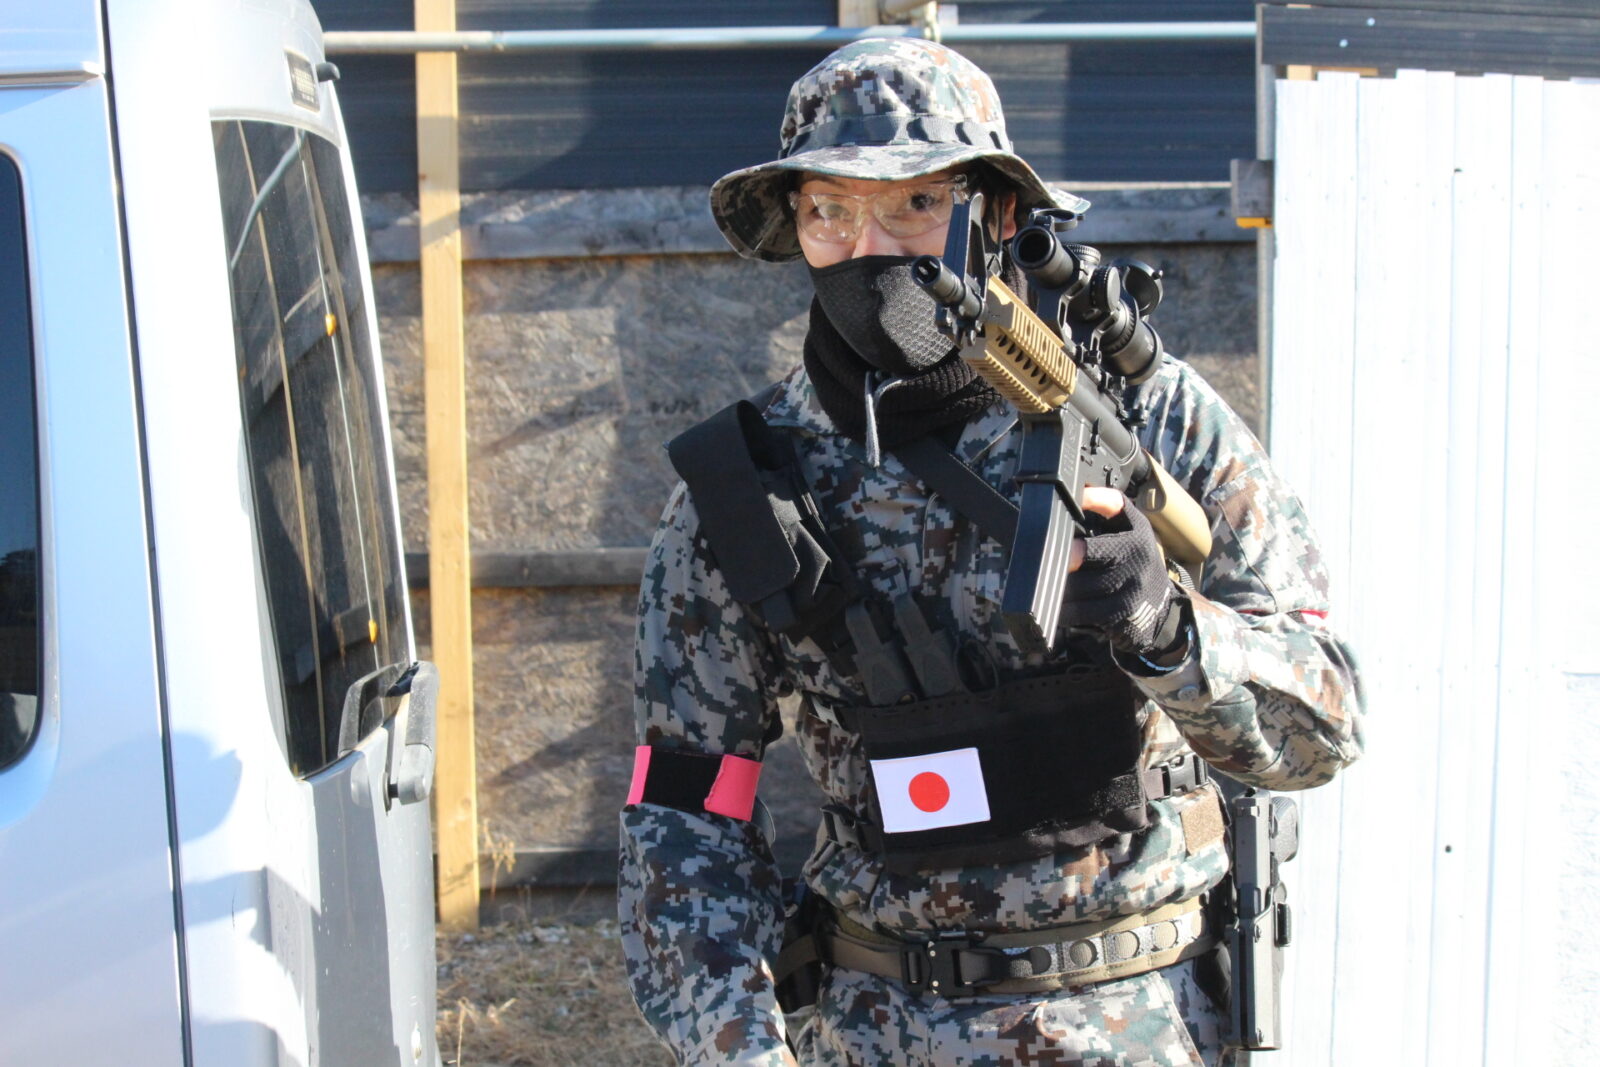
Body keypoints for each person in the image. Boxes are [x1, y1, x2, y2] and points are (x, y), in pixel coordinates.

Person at [619, 37, 1363, 1067]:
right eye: (829, 210)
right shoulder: (743, 487)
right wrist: (743, 1048)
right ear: (794, 225)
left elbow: (1322, 728)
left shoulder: (1153, 419)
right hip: (879, 1027)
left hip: (1149, 1022)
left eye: (917, 204)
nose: (869, 245)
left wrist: (1171, 631)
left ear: (999, 215)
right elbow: (685, 816)